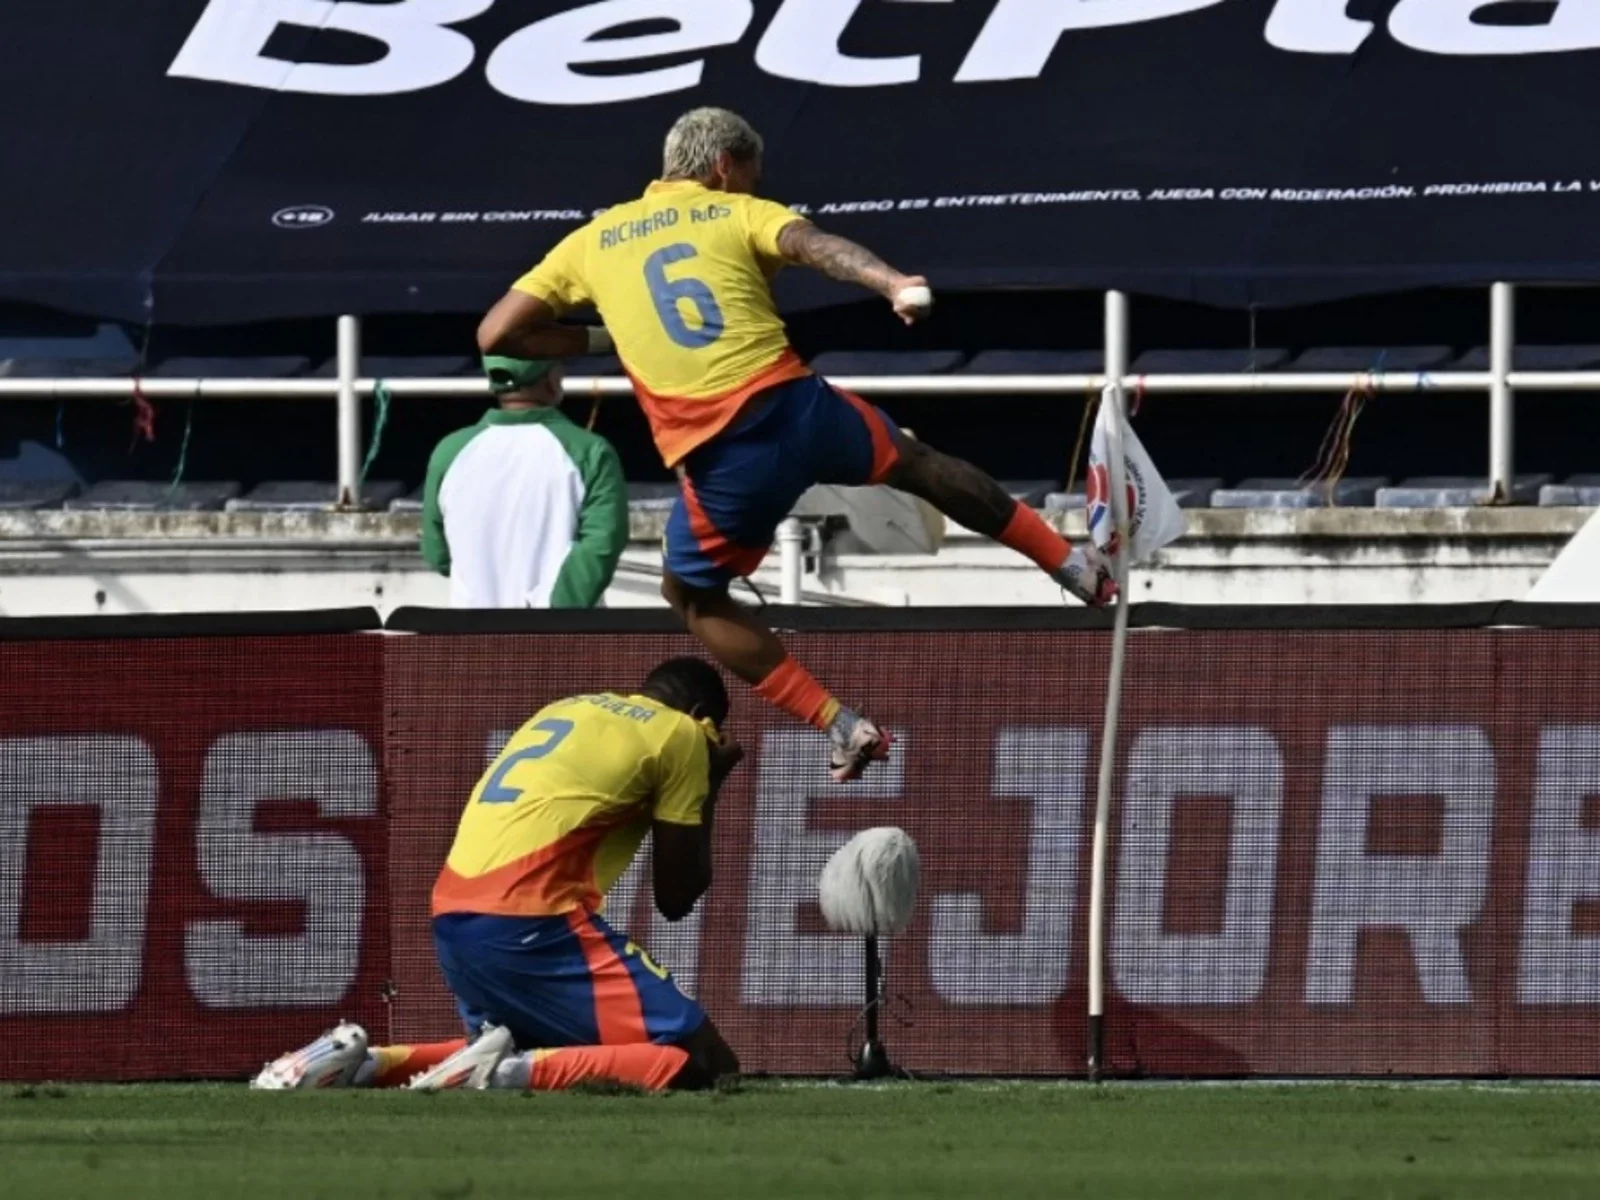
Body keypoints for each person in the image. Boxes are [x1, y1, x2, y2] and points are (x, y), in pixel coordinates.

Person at [476, 107, 1116, 783]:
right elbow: (817, 246)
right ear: (724, 167)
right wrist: (892, 283)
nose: (754, 186)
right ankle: (1072, 565)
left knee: (690, 596)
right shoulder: (735, 212)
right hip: (802, 408)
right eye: (752, 176)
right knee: (918, 464)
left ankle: (841, 724)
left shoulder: (591, 241)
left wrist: (599, 339)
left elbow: (496, 335)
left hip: (725, 457)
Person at [252, 657, 743, 1093]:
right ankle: (505, 1075)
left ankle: (360, 1062)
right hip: (534, 923)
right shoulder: (679, 733)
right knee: (707, 1062)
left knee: (538, 1043)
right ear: (700, 714)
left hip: (453, 918)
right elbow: (676, 896)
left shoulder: (567, 707)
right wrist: (712, 778)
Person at [421, 355, 628, 608]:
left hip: (470, 630)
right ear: (551, 379)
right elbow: (602, 545)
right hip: (561, 630)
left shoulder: (449, 451)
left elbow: (438, 556)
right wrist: (552, 615)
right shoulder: (591, 450)